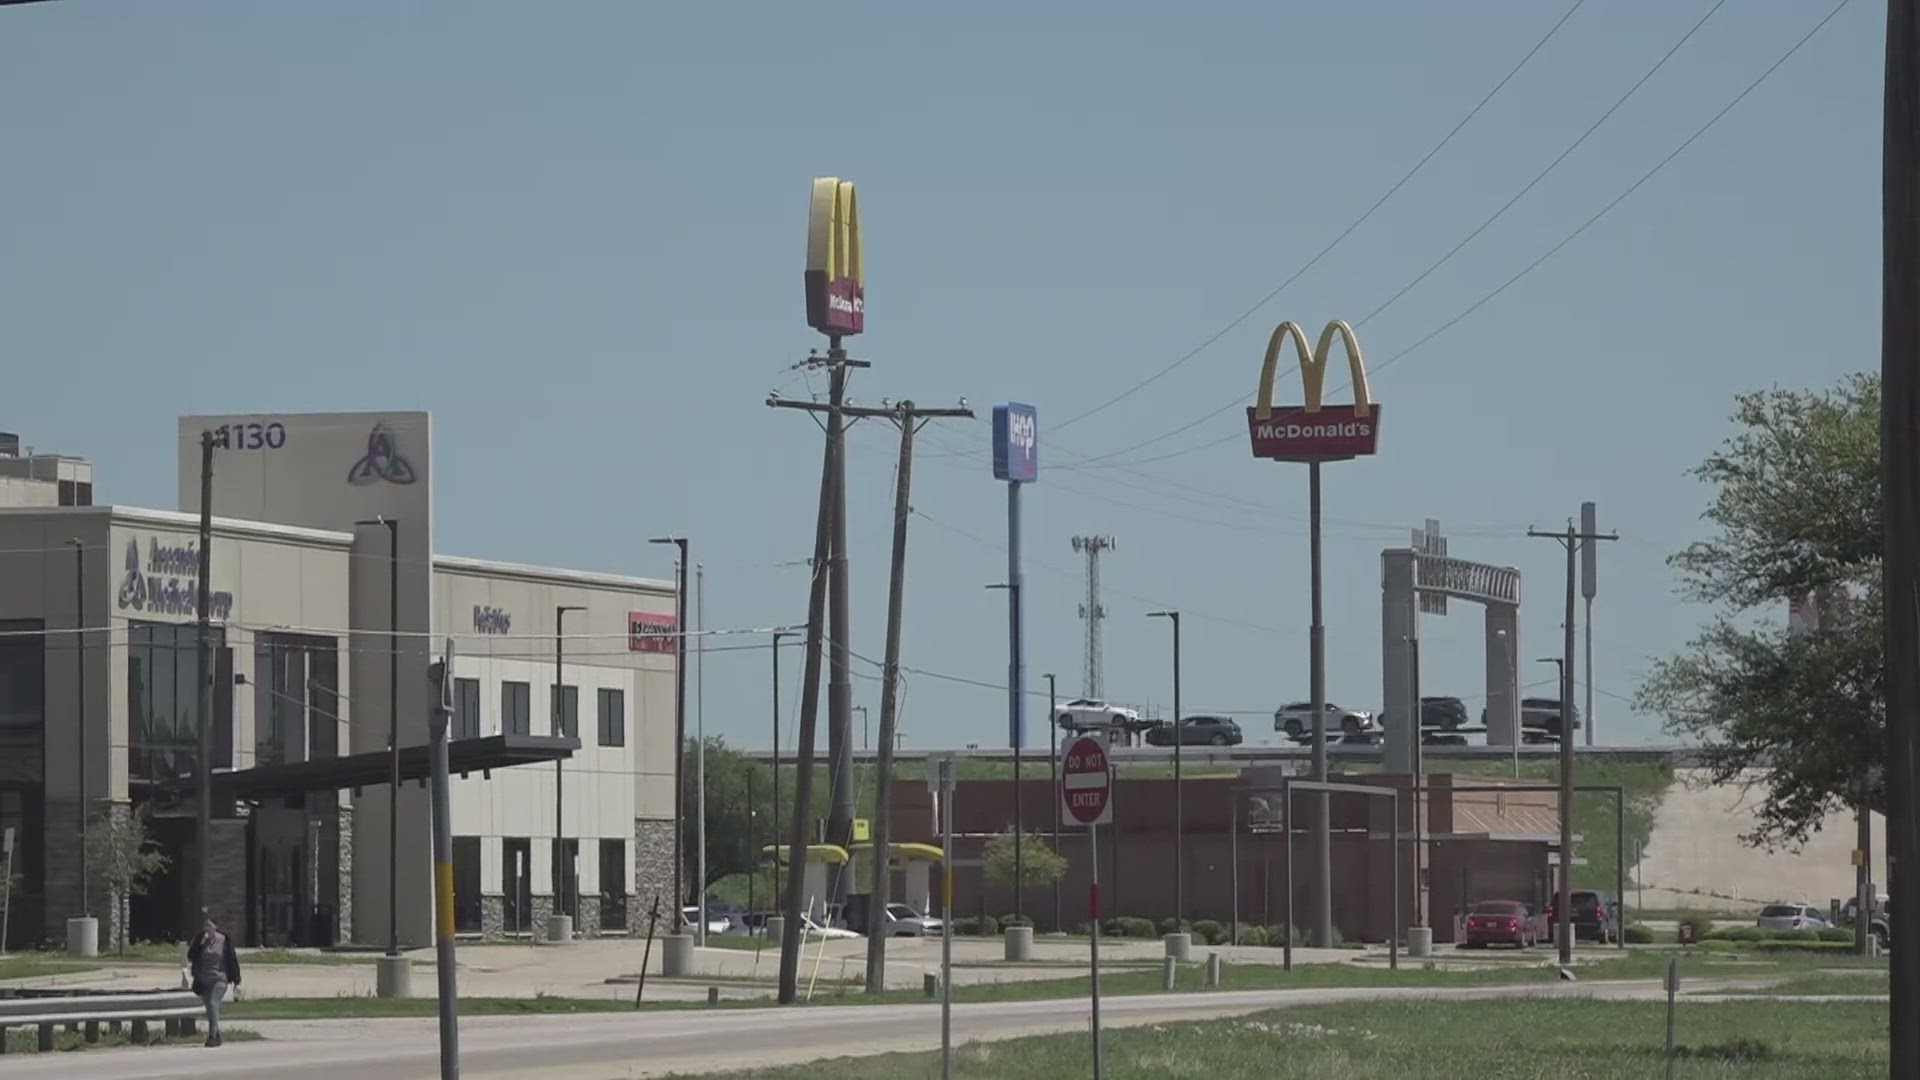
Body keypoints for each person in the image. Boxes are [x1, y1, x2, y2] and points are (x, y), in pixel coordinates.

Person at [187, 913, 242, 1047]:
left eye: (209, 925)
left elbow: (232, 959)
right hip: (203, 980)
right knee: (210, 1010)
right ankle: (217, 1035)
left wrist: (236, 979)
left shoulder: (224, 940)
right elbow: (190, 956)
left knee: (213, 1004)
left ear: (215, 927)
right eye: (205, 925)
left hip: (219, 979)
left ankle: (211, 1037)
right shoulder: (200, 939)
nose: (207, 928)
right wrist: (200, 944)